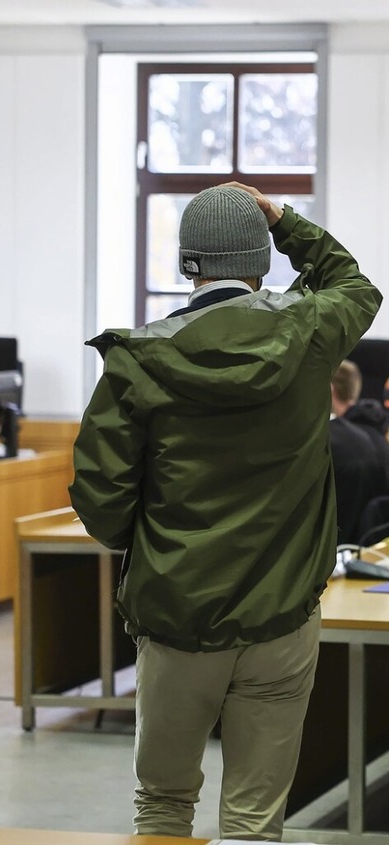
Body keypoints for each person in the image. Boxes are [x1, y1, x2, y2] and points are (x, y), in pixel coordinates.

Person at [69, 183, 382, 840]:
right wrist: (282, 218)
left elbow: (101, 503)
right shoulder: (310, 331)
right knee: (253, 817)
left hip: (176, 613)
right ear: (261, 259)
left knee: (162, 801)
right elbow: (355, 282)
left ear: (189, 263)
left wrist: (156, 543)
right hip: (281, 616)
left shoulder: (137, 358)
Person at [330, 359, 389, 544]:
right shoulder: (378, 436)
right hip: (375, 551)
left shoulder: (334, 440)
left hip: (342, 552)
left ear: (330, 390)